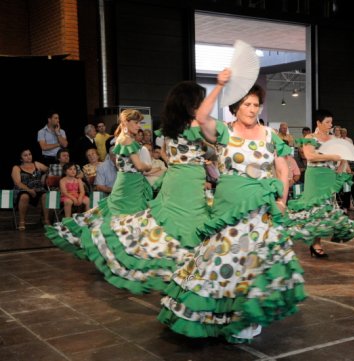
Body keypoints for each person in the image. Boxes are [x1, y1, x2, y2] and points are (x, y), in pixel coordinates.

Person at [158, 84, 305, 343]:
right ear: (236, 107)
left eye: (256, 104)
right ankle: (217, 317)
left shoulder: (271, 135)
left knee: (252, 264)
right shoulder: (224, 131)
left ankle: (245, 318)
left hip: (259, 211)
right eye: (246, 104)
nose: (251, 109)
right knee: (223, 263)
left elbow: (282, 171)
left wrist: (282, 201)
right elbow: (202, 117)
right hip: (229, 209)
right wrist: (221, 86)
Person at [78, 69, 232, 293]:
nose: (202, 108)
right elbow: (208, 144)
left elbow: (172, 156)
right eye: (199, 103)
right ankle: (190, 273)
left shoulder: (171, 129)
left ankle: (182, 271)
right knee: (189, 226)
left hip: (176, 178)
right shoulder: (195, 126)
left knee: (172, 226)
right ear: (190, 105)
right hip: (186, 181)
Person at [45, 109, 153, 259]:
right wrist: (149, 166)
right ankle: (116, 249)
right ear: (125, 123)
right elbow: (140, 166)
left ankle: (123, 250)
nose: (138, 126)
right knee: (126, 217)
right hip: (129, 186)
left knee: (123, 217)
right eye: (135, 122)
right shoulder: (127, 140)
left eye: (139, 122)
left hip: (130, 184)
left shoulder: (122, 138)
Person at [285, 109, 354, 257]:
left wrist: (341, 168)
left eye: (331, 122)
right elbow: (310, 156)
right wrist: (332, 155)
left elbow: (342, 160)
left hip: (329, 176)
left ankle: (329, 236)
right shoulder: (310, 137)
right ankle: (315, 244)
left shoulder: (334, 140)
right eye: (327, 122)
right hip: (315, 176)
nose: (330, 125)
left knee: (328, 207)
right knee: (315, 208)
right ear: (318, 122)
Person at [11, 149, 50, 230]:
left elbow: (49, 170)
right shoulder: (17, 167)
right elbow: (17, 183)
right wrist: (29, 190)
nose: (28, 156)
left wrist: (44, 176)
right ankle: (22, 221)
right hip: (22, 189)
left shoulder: (37, 164)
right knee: (24, 196)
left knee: (46, 195)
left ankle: (46, 220)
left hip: (38, 189)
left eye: (29, 154)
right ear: (21, 158)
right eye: (25, 155)